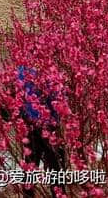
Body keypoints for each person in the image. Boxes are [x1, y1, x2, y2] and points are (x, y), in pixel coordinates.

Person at [17, 66, 66, 198]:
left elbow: (17, 100)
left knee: (30, 166)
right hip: (47, 125)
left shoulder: (20, 70)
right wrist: (56, 120)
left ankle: (29, 194)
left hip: (30, 126)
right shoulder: (47, 68)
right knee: (55, 166)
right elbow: (59, 98)